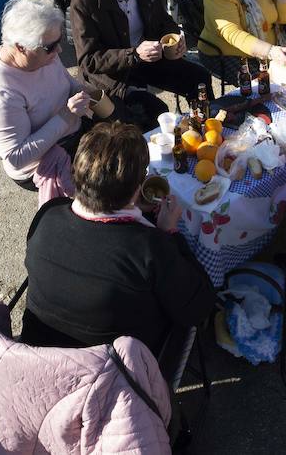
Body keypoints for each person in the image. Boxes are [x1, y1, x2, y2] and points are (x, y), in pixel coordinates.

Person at [22, 121, 216, 374]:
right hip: (113, 377)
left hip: (38, 359)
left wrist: (130, 207)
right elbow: (199, 307)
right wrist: (169, 232)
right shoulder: (150, 246)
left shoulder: (47, 215)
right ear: (138, 189)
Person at [70, 0, 209, 123]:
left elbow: (164, 23)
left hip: (146, 60)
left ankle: (205, 127)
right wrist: (134, 54)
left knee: (199, 78)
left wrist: (174, 39)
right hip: (111, 76)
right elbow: (89, 61)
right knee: (155, 110)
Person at [0, 0, 95, 191]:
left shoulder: (43, 55)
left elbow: (65, 81)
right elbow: (16, 157)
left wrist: (86, 92)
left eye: (59, 40)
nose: (59, 50)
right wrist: (67, 114)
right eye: (51, 46)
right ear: (20, 47)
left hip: (73, 133)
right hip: (41, 162)